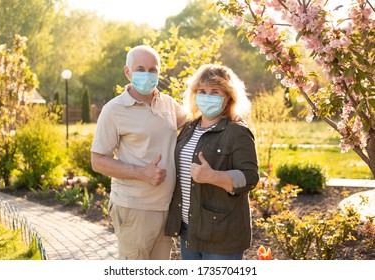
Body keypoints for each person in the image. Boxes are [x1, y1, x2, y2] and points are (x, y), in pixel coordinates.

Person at [90, 45, 187, 260]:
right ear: (127, 72)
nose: (147, 74)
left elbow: (196, 123)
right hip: (134, 208)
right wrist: (142, 173)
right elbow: (97, 161)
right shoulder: (114, 110)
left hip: (167, 208)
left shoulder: (169, 104)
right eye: (140, 69)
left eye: (153, 70)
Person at [165, 64, 259, 260]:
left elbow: (250, 177)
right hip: (188, 229)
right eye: (202, 91)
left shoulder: (237, 131)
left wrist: (213, 176)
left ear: (228, 97)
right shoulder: (190, 127)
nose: (207, 96)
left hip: (221, 235)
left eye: (215, 91)